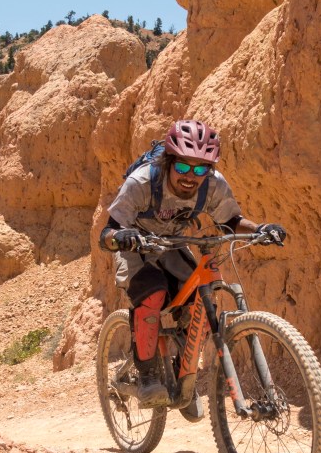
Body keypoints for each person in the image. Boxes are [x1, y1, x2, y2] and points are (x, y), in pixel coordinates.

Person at [100, 120, 286, 407]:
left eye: (200, 169)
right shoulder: (141, 182)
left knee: (195, 294)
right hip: (135, 244)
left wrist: (261, 228)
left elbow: (231, 221)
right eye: (183, 167)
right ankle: (148, 375)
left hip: (171, 242)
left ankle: (181, 374)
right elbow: (107, 233)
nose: (191, 176)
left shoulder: (212, 185)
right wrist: (122, 237)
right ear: (169, 162)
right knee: (152, 293)